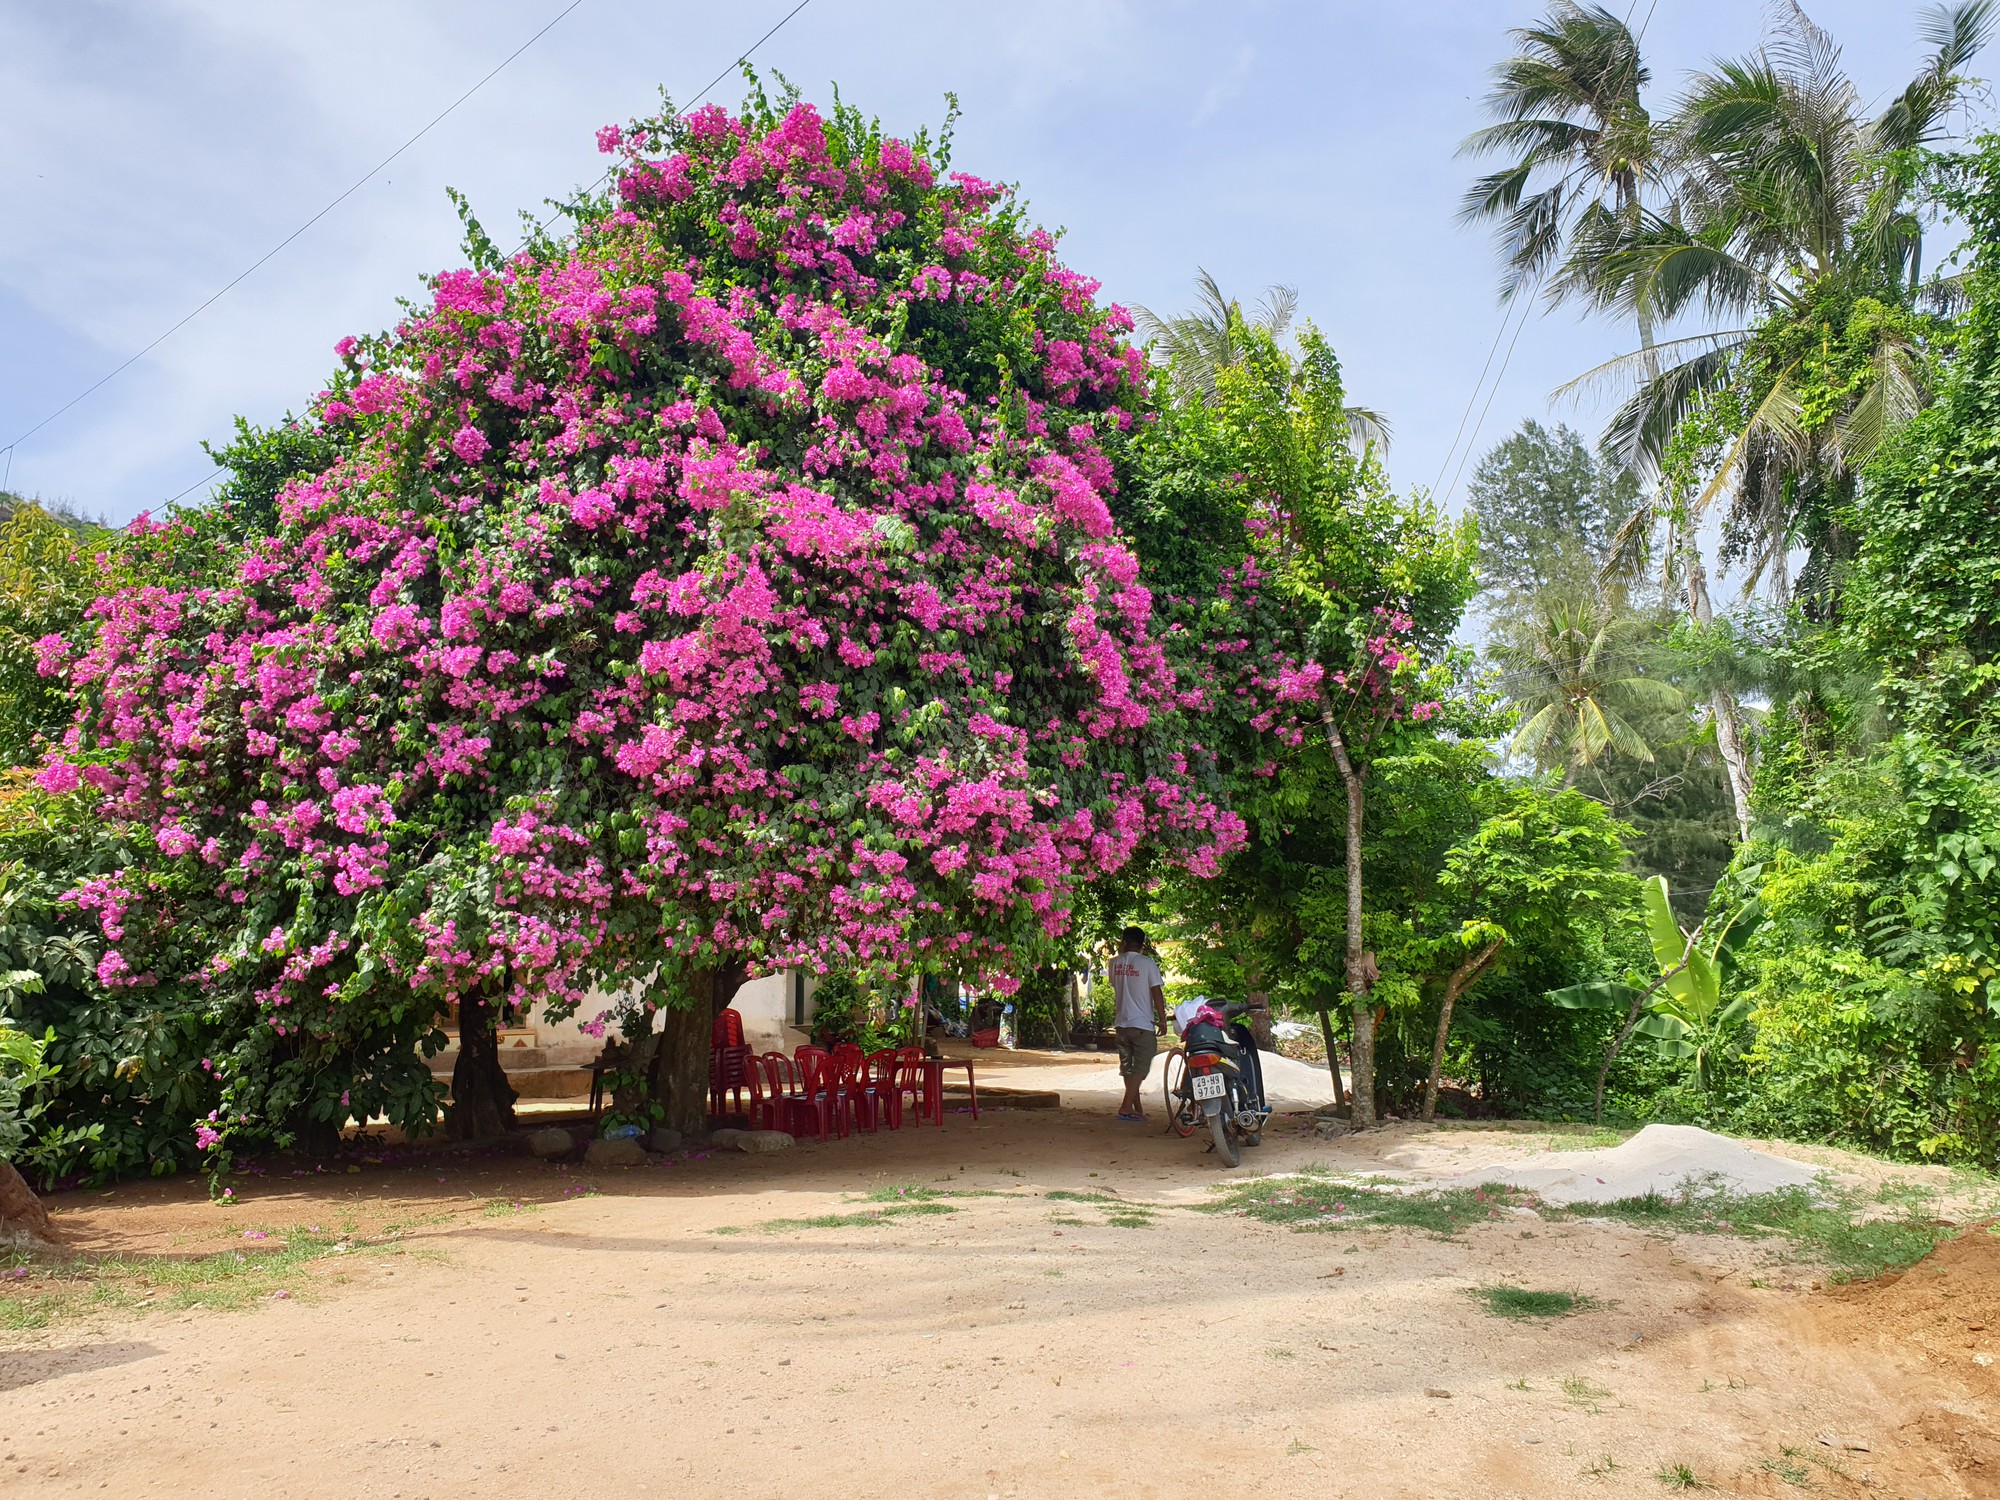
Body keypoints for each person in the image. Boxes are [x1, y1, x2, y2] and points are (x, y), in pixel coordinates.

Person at [1109, 925, 1166, 1121]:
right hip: (1142, 1024)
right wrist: (1163, 1019)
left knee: (1128, 1068)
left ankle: (1136, 1108)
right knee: (1140, 1068)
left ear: (1124, 942)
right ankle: (1126, 1107)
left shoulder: (1113, 964)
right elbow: (1157, 993)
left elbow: (1116, 985)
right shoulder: (1147, 964)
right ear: (1143, 945)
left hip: (1121, 1024)